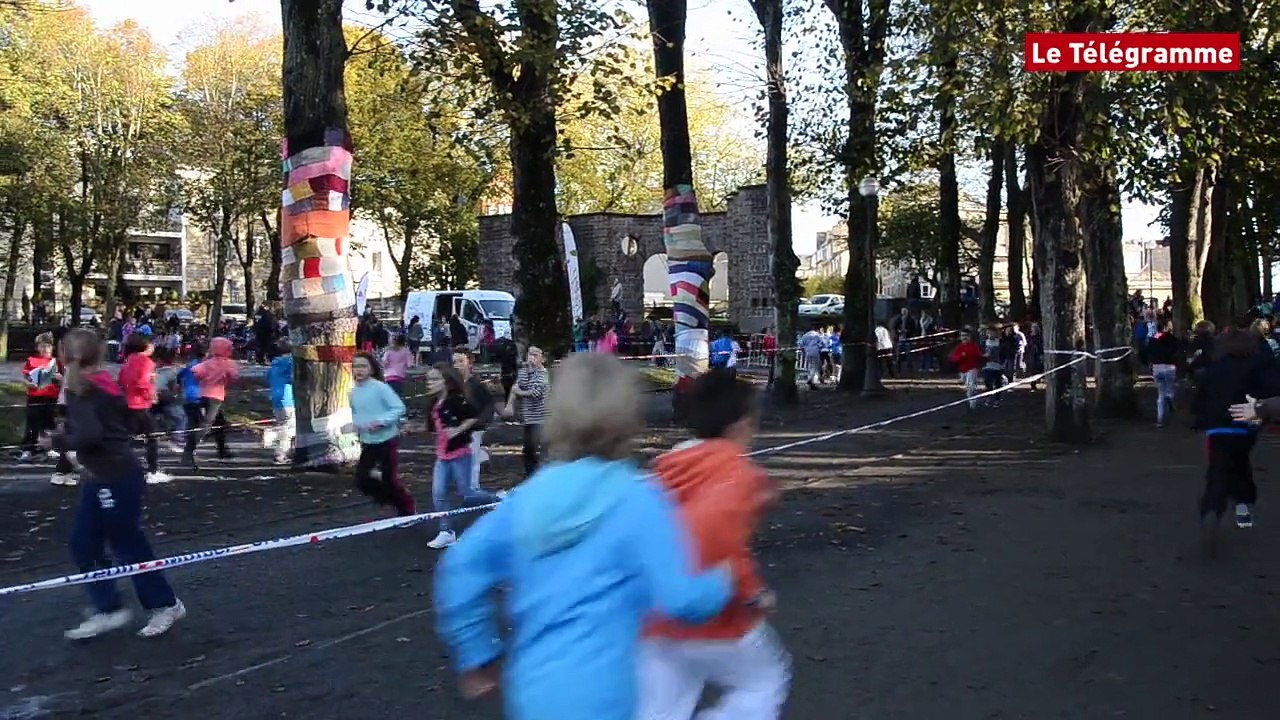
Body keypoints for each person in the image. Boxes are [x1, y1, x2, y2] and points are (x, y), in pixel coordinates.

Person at [433, 352, 734, 720]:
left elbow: (461, 568)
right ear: (627, 417)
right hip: (607, 690)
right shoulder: (639, 500)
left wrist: (478, 650)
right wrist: (723, 581)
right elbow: (682, 599)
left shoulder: (525, 500)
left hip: (534, 689)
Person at [638, 368, 790, 720]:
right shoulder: (736, 470)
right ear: (740, 425)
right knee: (764, 683)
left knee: (660, 707)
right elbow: (716, 533)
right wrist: (751, 590)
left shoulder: (664, 466)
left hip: (655, 614)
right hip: (715, 614)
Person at [44, 328, 186, 640]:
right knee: (84, 542)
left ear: (66, 355)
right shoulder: (100, 383)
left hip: (115, 476)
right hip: (102, 476)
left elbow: (90, 434)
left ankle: (164, 604)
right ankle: (107, 608)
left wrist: (56, 439)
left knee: (126, 543)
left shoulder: (86, 388)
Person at [1192, 319, 1280, 554]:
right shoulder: (1258, 363)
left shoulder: (1215, 366)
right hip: (1245, 424)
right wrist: (1263, 411)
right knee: (1239, 462)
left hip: (1217, 426)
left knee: (1218, 467)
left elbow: (1201, 395)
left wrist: (1199, 419)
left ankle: (1213, 507)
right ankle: (1243, 503)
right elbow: (1271, 389)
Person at [426, 362, 504, 549]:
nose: (430, 383)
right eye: (428, 379)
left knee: (467, 493)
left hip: (460, 453)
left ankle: (499, 499)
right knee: (438, 493)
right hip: (442, 455)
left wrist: (458, 429)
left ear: (447, 381)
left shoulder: (457, 401)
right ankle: (446, 531)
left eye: (435, 379)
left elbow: (475, 415)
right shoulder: (433, 404)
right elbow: (434, 427)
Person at [350, 352, 414, 516]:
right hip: (367, 442)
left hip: (387, 439)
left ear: (372, 368)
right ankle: (389, 501)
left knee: (389, 480)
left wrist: (381, 421)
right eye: (356, 366)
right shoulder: (353, 392)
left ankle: (407, 509)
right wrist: (355, 426)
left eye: (363, 366)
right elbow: (358, 414)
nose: (359, 370)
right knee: (362, 479)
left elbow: (399, 408)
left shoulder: (380, 387)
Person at [118, 332, 170, 485]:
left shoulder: (128, 361)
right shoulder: (146, 362)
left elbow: (122, 380)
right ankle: (152, 471)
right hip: (140, 403)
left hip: (127, 402)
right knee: (152, 436)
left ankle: (119, 469)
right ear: (145, 346)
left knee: (128, 438)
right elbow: (141, 382)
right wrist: (151, 395)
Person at [181, 337, 238, 468]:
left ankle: (222, 449)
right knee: (205, 425)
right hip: (216, 396)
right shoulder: (228, 363)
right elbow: (234, 377)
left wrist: (206, 379)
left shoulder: (208, 363)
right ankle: (188, 453)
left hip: (203, 393)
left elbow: (195, 372)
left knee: (220, 422)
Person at [453, 350, 496, 492]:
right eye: (455, 362)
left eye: (461, 361)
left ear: (469, 363)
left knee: (471, 459)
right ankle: (483, 455)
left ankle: (473, 488)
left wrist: (480, 421)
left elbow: (489, 405)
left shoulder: (477, 385)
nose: (457, 365)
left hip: (474, 428)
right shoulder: (454, 386)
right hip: (459, 428)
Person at [506, 345, 548, 478]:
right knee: (529, 449)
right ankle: (532, 476)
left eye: (535, 355)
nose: (532, 357)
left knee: (540, 447)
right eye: (530, 354)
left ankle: (544, 475)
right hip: (529, 417)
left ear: (542, 358)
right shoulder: (524, 371)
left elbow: (536, 393)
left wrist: (520, 392)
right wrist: (509, 405)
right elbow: (516, 386)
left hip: (542, 416)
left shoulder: (543, 373)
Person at [20, 332, 62, 462]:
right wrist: (29, 384)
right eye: (41, 346)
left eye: (47, 346)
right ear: (37, 347)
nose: (44, 349)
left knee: (49, 422)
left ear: (52, 347)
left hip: (51, 396)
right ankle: (28, 449)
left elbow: (63, 379)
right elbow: (25, 378)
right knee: (32, 423)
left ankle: (49, 448)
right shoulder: (31, 361)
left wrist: (59, 378)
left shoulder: (56, 362)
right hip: (35, 396)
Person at [264, 339, 295, 465]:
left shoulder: (274, 365)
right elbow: (295, 377)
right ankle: (280, 454)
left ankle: (276, 438)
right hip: (288, 399)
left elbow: (268, 378)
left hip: (276, 399)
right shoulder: (291, 363)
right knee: (288, 429)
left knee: (284, 424)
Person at [151, 346, 186, 455]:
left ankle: (152, 436)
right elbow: (174, 388)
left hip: (151, 397)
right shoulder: (172, 371)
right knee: (181, 418)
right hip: (165, 397)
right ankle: (176, 440)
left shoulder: (153, 369)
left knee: (153, 416)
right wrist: (175, 394)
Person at [1147, 319, 1181, 427]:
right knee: (1169, 388)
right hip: (1170, 366)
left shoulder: (1154, 339)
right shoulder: (1173, 340)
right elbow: (1179, 352)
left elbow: (1146, 351)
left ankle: (1160, 418)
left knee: (1160, 393)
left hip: (1157, 367)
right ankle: (1170, 400)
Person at [949, 330, 983, 410]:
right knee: (967, 386)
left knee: (971, 386)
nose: (964, 337)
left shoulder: (973, 346)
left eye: (966, 336)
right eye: (963, 336)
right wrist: (961, 356)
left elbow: (978, 356)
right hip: (963, 370)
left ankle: (972, 403)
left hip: (972, 369)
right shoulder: (959, 348)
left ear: (970, 337)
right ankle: (969, 400)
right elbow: (954, 359)